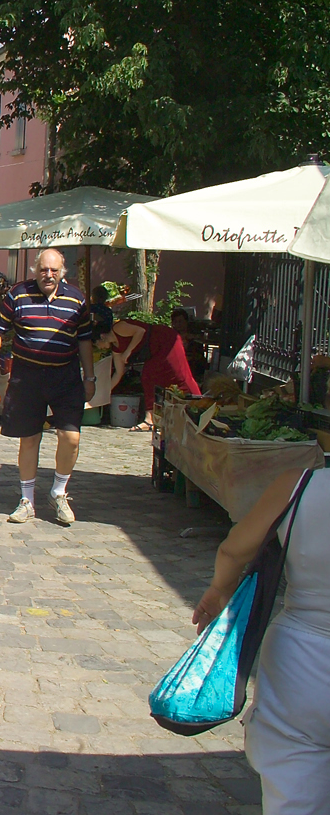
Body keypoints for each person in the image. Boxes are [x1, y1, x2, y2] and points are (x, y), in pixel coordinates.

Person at [192, 468, 330, 814]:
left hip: (302, 662)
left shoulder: (302, 485)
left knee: (294, 795)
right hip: (301, 659)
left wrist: (220, 589)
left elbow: (233, 551)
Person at [0, 248, 95, 526]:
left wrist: (90, 377)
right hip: (27, 376)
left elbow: (85, 340)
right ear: (35, 270)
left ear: (62, 272)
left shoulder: (77, 299)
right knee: (29, 438)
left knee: (71, 438)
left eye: (54, 270)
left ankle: (58, 492)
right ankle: (27, 500)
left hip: (65, 377)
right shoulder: (18, 294)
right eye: (44, 269)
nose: (49, 275)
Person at [108, 309, 200, 430]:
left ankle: (200, 406)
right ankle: (149, 419)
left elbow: (140, 331)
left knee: (180, 375)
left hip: (165, 339)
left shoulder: (118, 328)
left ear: (102, 337)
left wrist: (128, 351)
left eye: (97, 345)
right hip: (153, 351)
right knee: (147, 377)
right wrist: (105, 392)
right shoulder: (115, 349)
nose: (100, 348)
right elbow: (118, 373)